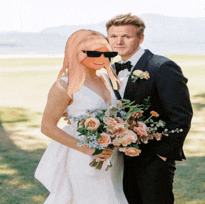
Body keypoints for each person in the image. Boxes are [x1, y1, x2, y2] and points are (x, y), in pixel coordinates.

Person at [105, 13, 193, 204]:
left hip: (153, 160)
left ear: (140, 38)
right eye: (113, 36)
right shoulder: (110, 69)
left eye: (126, 36)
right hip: (119, 160)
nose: (119, 41)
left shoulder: (162, 67)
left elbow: (181, 115)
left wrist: (162, 154)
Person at [35, 29, 128, 204]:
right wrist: (88, 149)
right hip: (84, 157)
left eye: (106, 52)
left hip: (113, 160)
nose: (102, 57)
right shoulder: (64, 85)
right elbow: (47, 127)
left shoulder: (108, 80)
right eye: (94, 52)